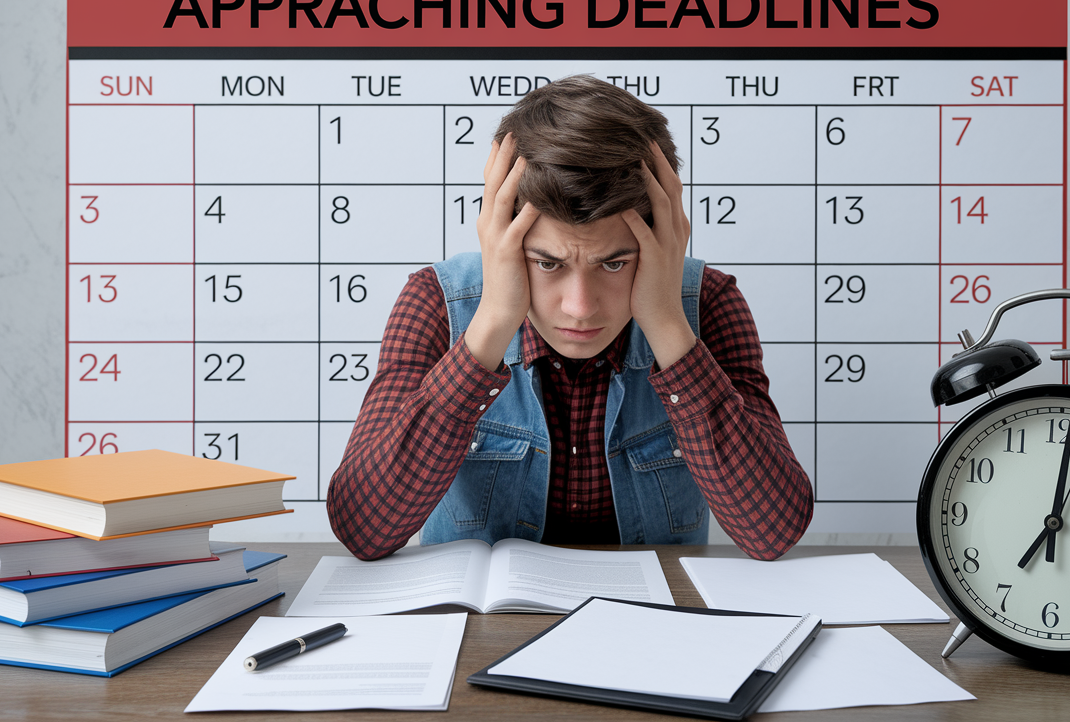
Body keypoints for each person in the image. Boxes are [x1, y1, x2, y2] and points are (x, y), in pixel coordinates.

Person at [327, 75, 813, 561]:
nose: (580, 306)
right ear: (503, 239)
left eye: (614, 263)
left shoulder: (707, 303)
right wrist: (493, 321)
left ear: (664, 239)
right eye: (548, 263)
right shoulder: (437, 301)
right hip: (479, 631)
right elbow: (364, 530)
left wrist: (666, 323)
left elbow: (771, 533)